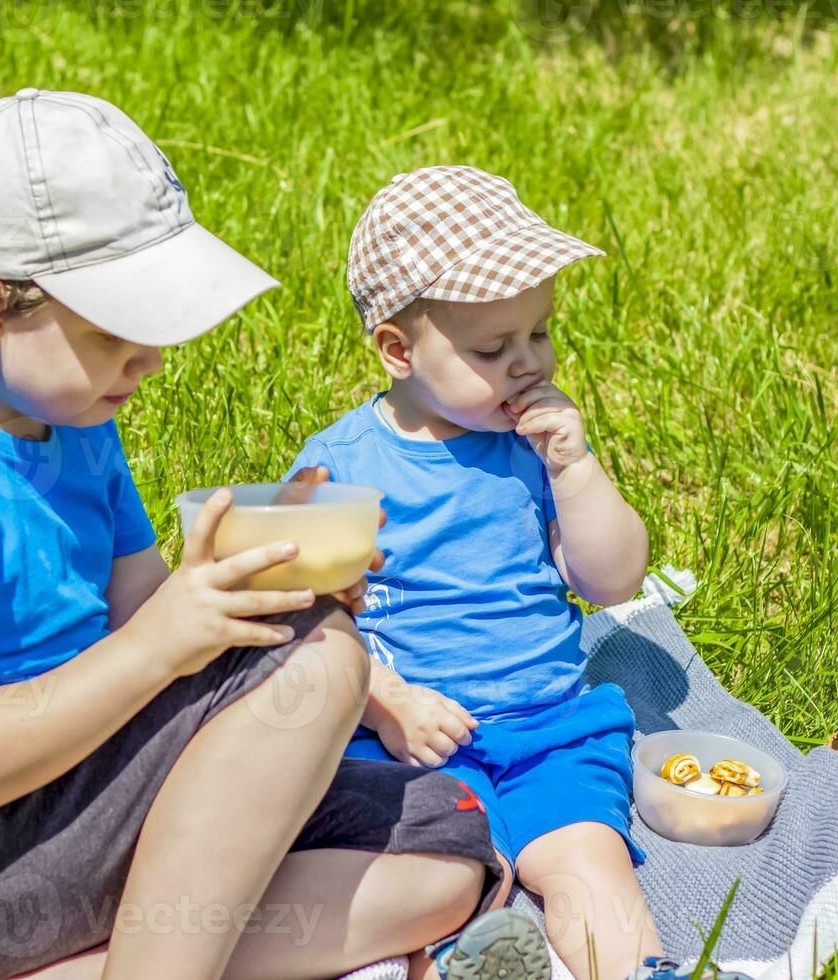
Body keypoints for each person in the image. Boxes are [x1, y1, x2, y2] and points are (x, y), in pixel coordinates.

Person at [0, 92, 528, 980]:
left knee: (447, 840)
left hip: (75, 786)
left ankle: (121, 955)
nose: (152, 361)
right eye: (115, 335)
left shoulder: (66, 406)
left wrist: (257, 576)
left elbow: (142, 602)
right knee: (320, 661)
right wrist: (175, 644)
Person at [285, 166, 667, 980]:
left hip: (547, 728)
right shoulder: (341, 464)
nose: (528, 362)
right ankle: (459, 960)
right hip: (410, 744)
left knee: (587, 864)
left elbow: (615, 580)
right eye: (493, 348)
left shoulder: (536, 445)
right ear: (396, 349)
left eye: (540, 332)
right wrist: (386, 704)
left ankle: (642, 970)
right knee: (430, 879)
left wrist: (577, 469)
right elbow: (305, 623)